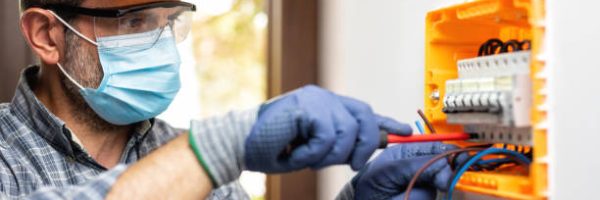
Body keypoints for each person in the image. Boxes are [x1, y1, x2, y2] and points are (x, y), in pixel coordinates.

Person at [0, 0, 458, 199]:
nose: (162, 44)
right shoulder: (200, 160)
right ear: (48, 35)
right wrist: (222, 146)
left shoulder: (187, 160)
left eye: (169, 20)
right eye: (135, 20)